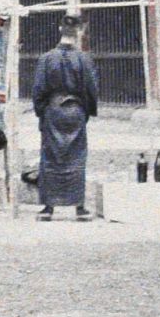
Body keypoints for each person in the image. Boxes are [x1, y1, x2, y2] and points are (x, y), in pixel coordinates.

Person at [31, 16, 100, 221]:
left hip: (53, 111)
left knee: (50, 157)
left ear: (60, 29)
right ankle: (79, 208)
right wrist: (85, 111)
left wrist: (42, 112)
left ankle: (48, 208)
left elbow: (38, 91)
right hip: (76, 110)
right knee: (77, 158)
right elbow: (91, 89)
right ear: (79, 31)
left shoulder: (46, 58)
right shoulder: (84, 59)